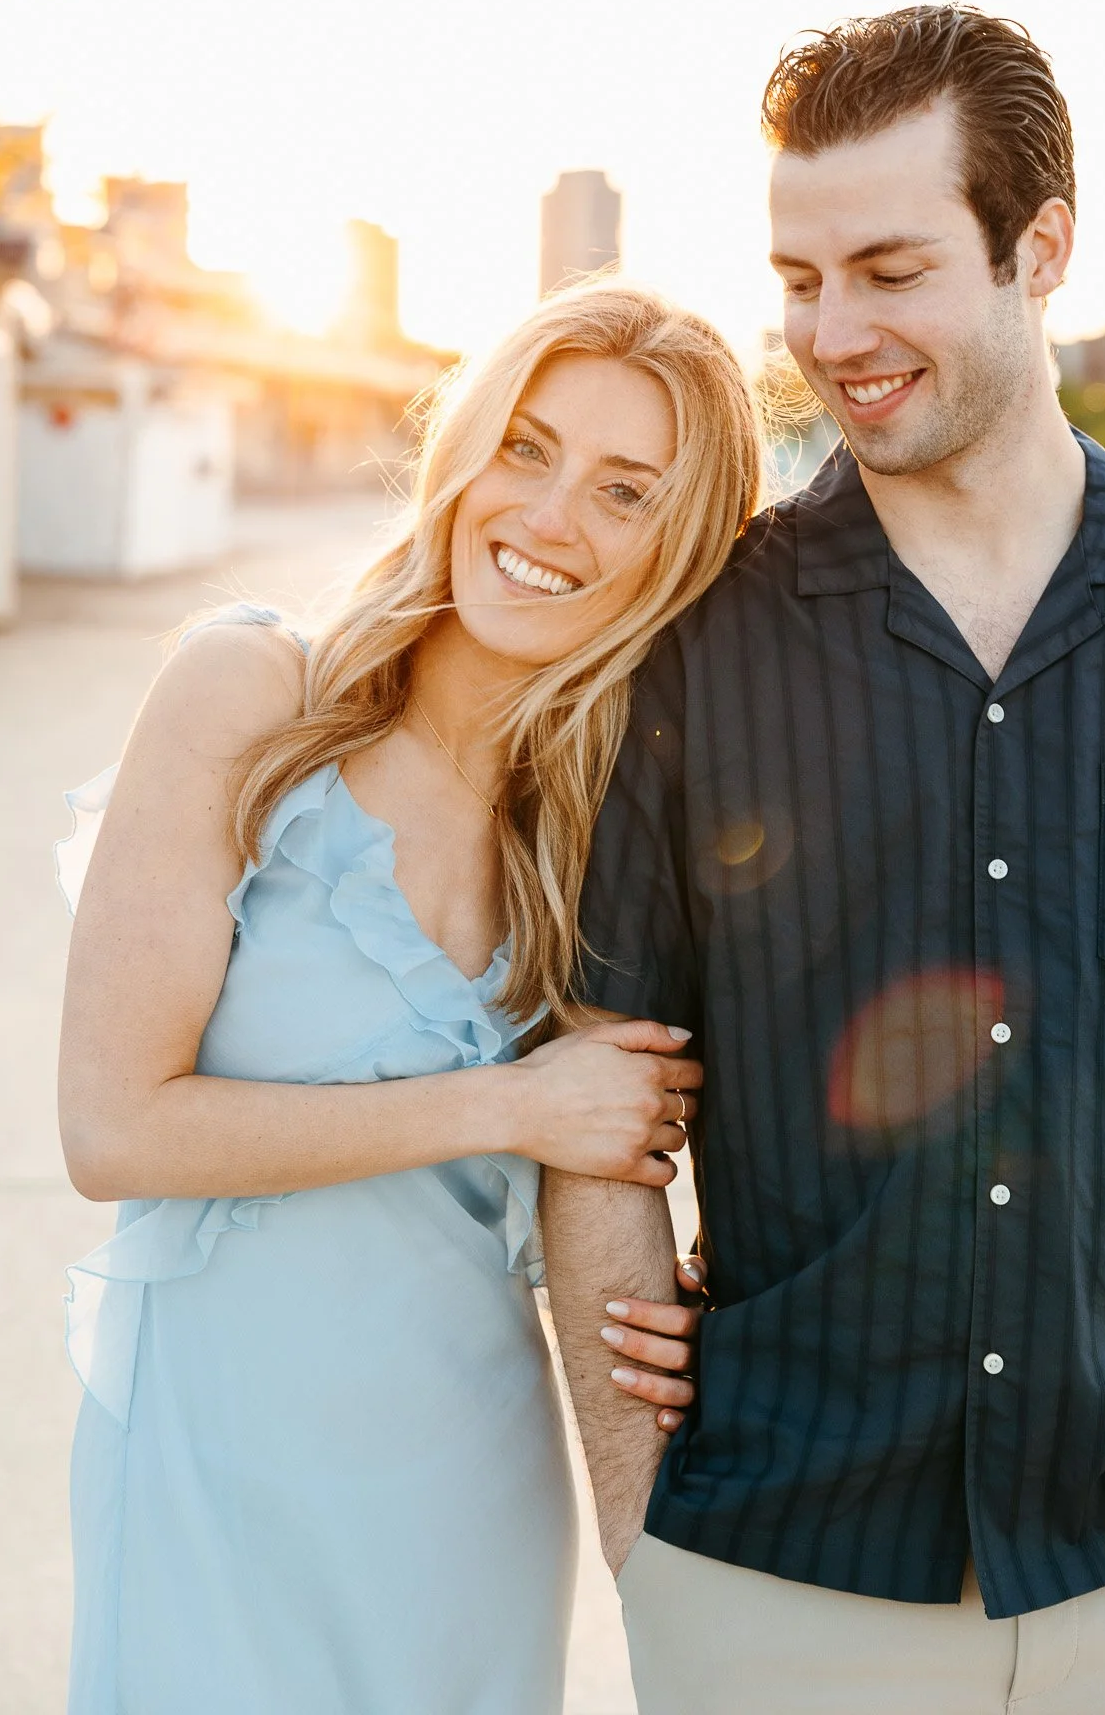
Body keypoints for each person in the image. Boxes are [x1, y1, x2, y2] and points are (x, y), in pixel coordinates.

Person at [544, 6, 1105, 1713]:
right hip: (777, 1571)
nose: (834, 334)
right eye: (800, 279)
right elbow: (599, 1100)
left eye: (890, 272)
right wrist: (641, 1543)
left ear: (1039, 249)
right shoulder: (691, 646)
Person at [55, 283, 760, 1715]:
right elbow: (114, 1128)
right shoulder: (252, 696)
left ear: (679, 551)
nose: (548, 516)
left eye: (624, 491)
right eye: (526, 448)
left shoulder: (601, 835)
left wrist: (716, 1311)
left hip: (467, 1492)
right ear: (463, 450)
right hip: (218, 1467)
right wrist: (512, 1104)